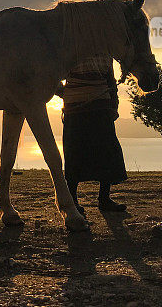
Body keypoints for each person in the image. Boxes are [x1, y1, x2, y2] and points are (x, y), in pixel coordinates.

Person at [56, 57, 127, 216]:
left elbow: (111, 81)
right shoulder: (71, 49)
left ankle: (104, 199)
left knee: (107, 152)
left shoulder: (105, 53)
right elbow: (52, 76)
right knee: (75, 153)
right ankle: (73, 200)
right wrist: (66, 94)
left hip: (101, 108)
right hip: (75, 109)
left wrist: (114, 105)